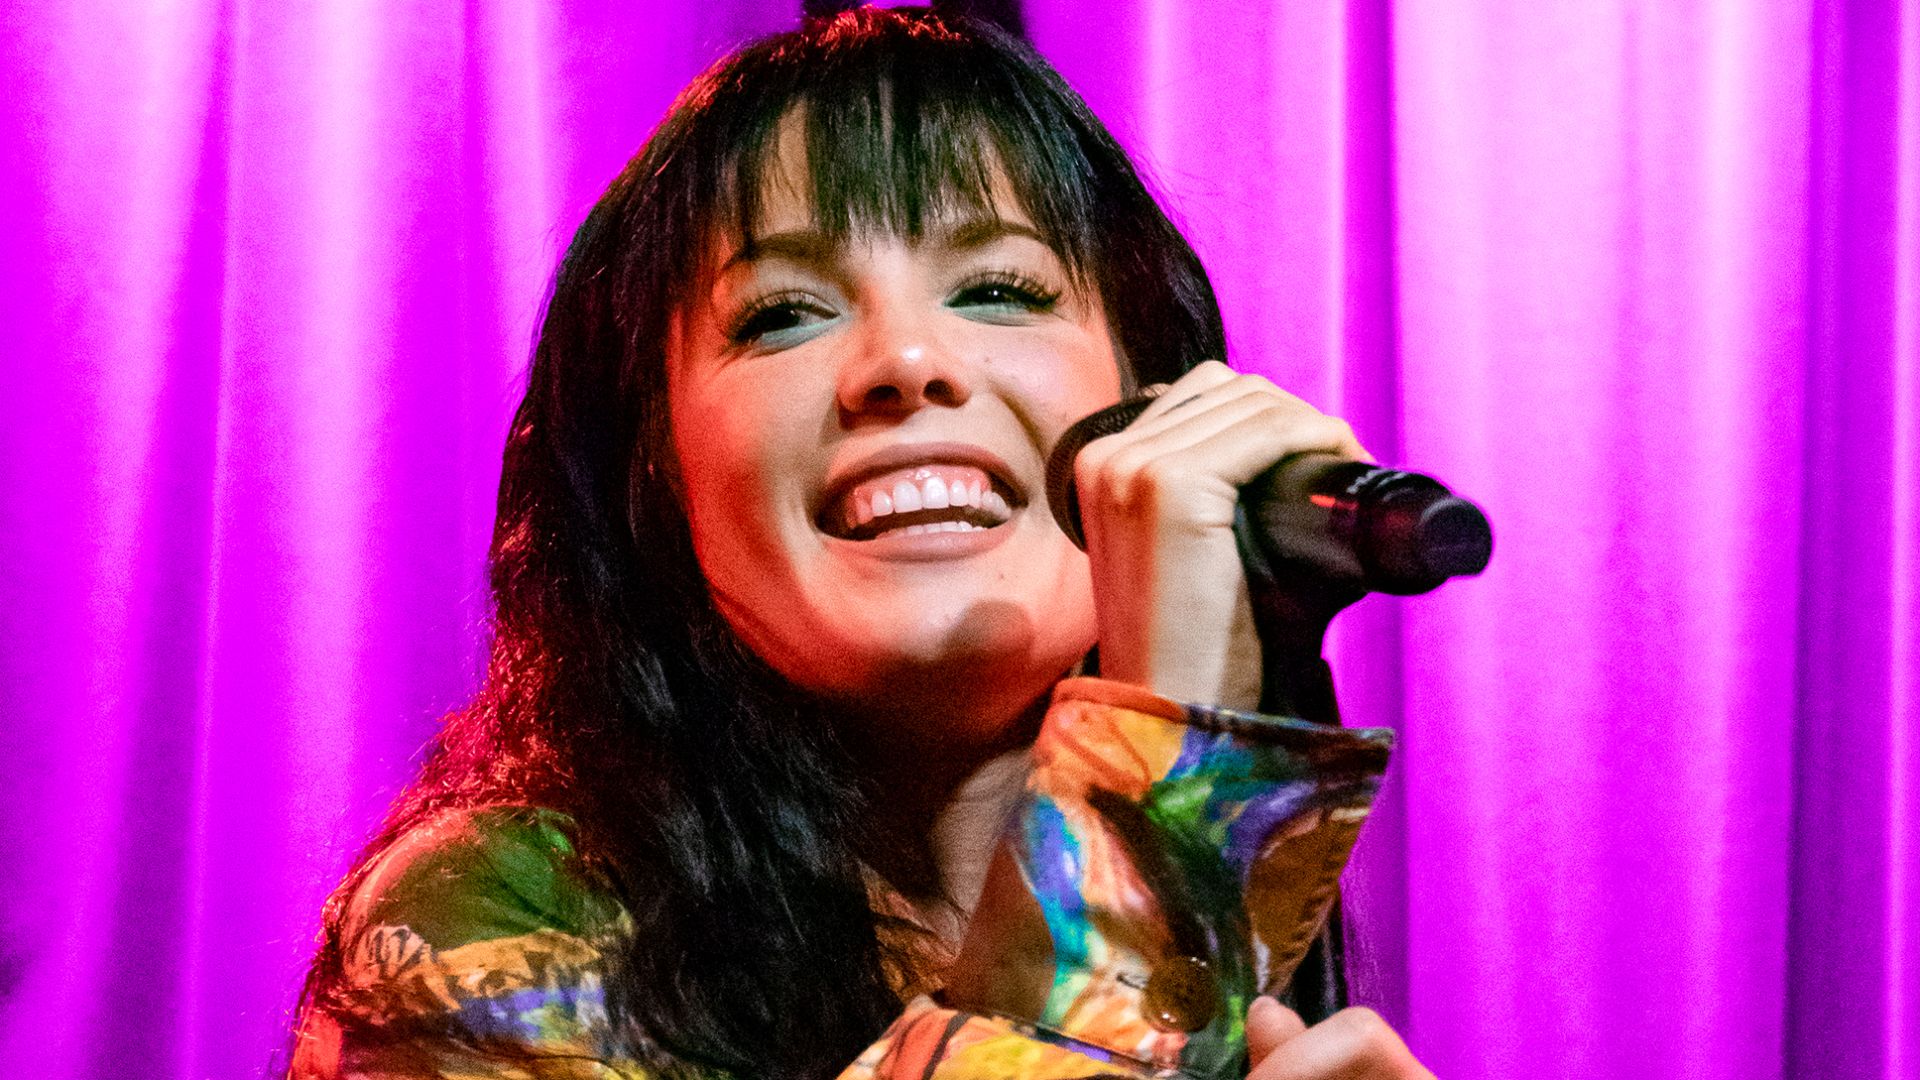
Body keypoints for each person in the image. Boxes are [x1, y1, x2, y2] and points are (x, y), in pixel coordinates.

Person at [288, 7, 1435, 1079]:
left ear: (1152, 413)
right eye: (784, 313)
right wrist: (1166, 765)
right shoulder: (484, 930)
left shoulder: (1234, 907)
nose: (905, 363)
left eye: (997, 289)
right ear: (654, 475)